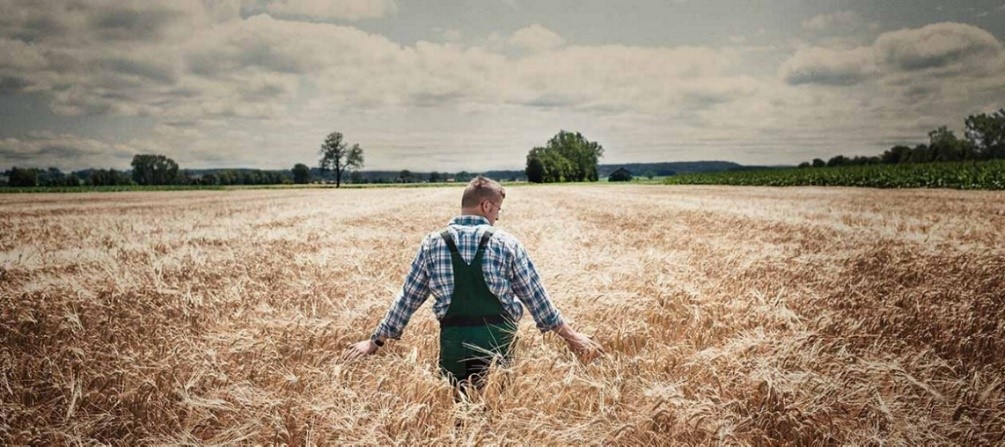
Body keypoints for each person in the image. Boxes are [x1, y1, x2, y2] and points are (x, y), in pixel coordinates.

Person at [342, 176, 603, 388]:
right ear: (486, 206)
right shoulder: (506, 243)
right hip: (499, 342)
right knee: (498, 415)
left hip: (454, 345)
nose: (498, 217)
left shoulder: (432, 244)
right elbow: (537, 300)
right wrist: (572, 338)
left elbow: (407, 300)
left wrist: (375, 342)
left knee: (457, 416)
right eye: (498, 209)